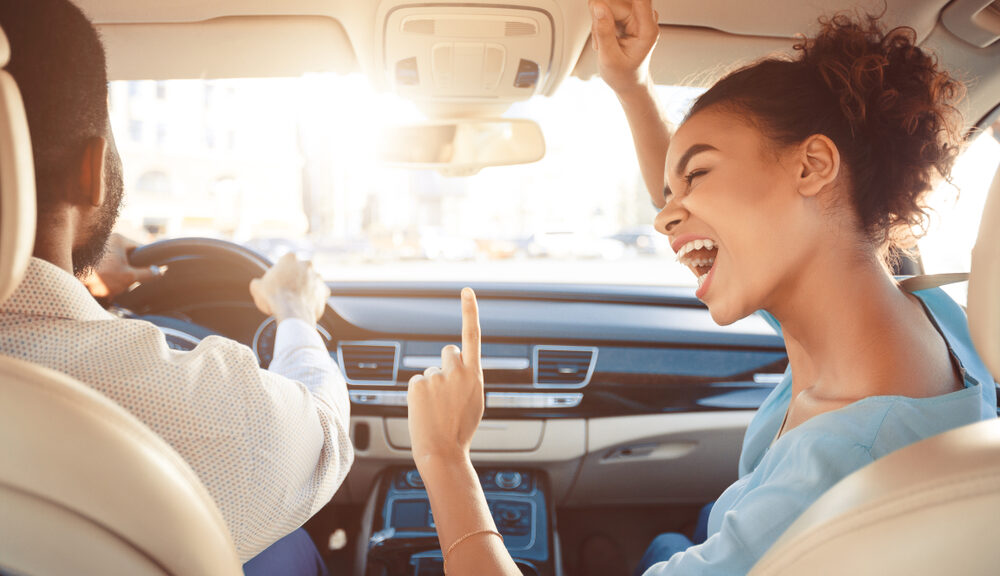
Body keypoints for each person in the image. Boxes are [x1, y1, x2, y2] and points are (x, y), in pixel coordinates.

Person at [405, 2, 997, 574]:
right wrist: (633, 87)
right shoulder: (932, 320)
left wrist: (443, 457)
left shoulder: (833, 471)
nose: (664, 216)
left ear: (813, 165)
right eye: (673, 190)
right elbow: (724, 216)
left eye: (698, 173)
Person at [0, 1, 352, 573]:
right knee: (285, 548)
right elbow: (322, 434)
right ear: (91, 170)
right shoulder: (179, 408)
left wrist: (79, 277)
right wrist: (294, 311)